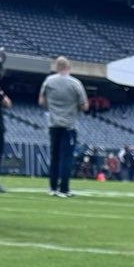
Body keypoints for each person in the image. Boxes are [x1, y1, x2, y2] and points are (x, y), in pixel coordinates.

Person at [38, 56, 88, 198]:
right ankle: (64, 188)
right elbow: (84, 105)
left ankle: (52, 186)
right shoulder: (75, 83)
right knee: (66, 157)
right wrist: (75, 107)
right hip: (68, 125)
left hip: (53, 123)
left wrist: (52, 108)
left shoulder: (49, 81)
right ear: (68, 67)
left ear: (56, 67)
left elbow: (41, 101)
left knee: (54, 156)